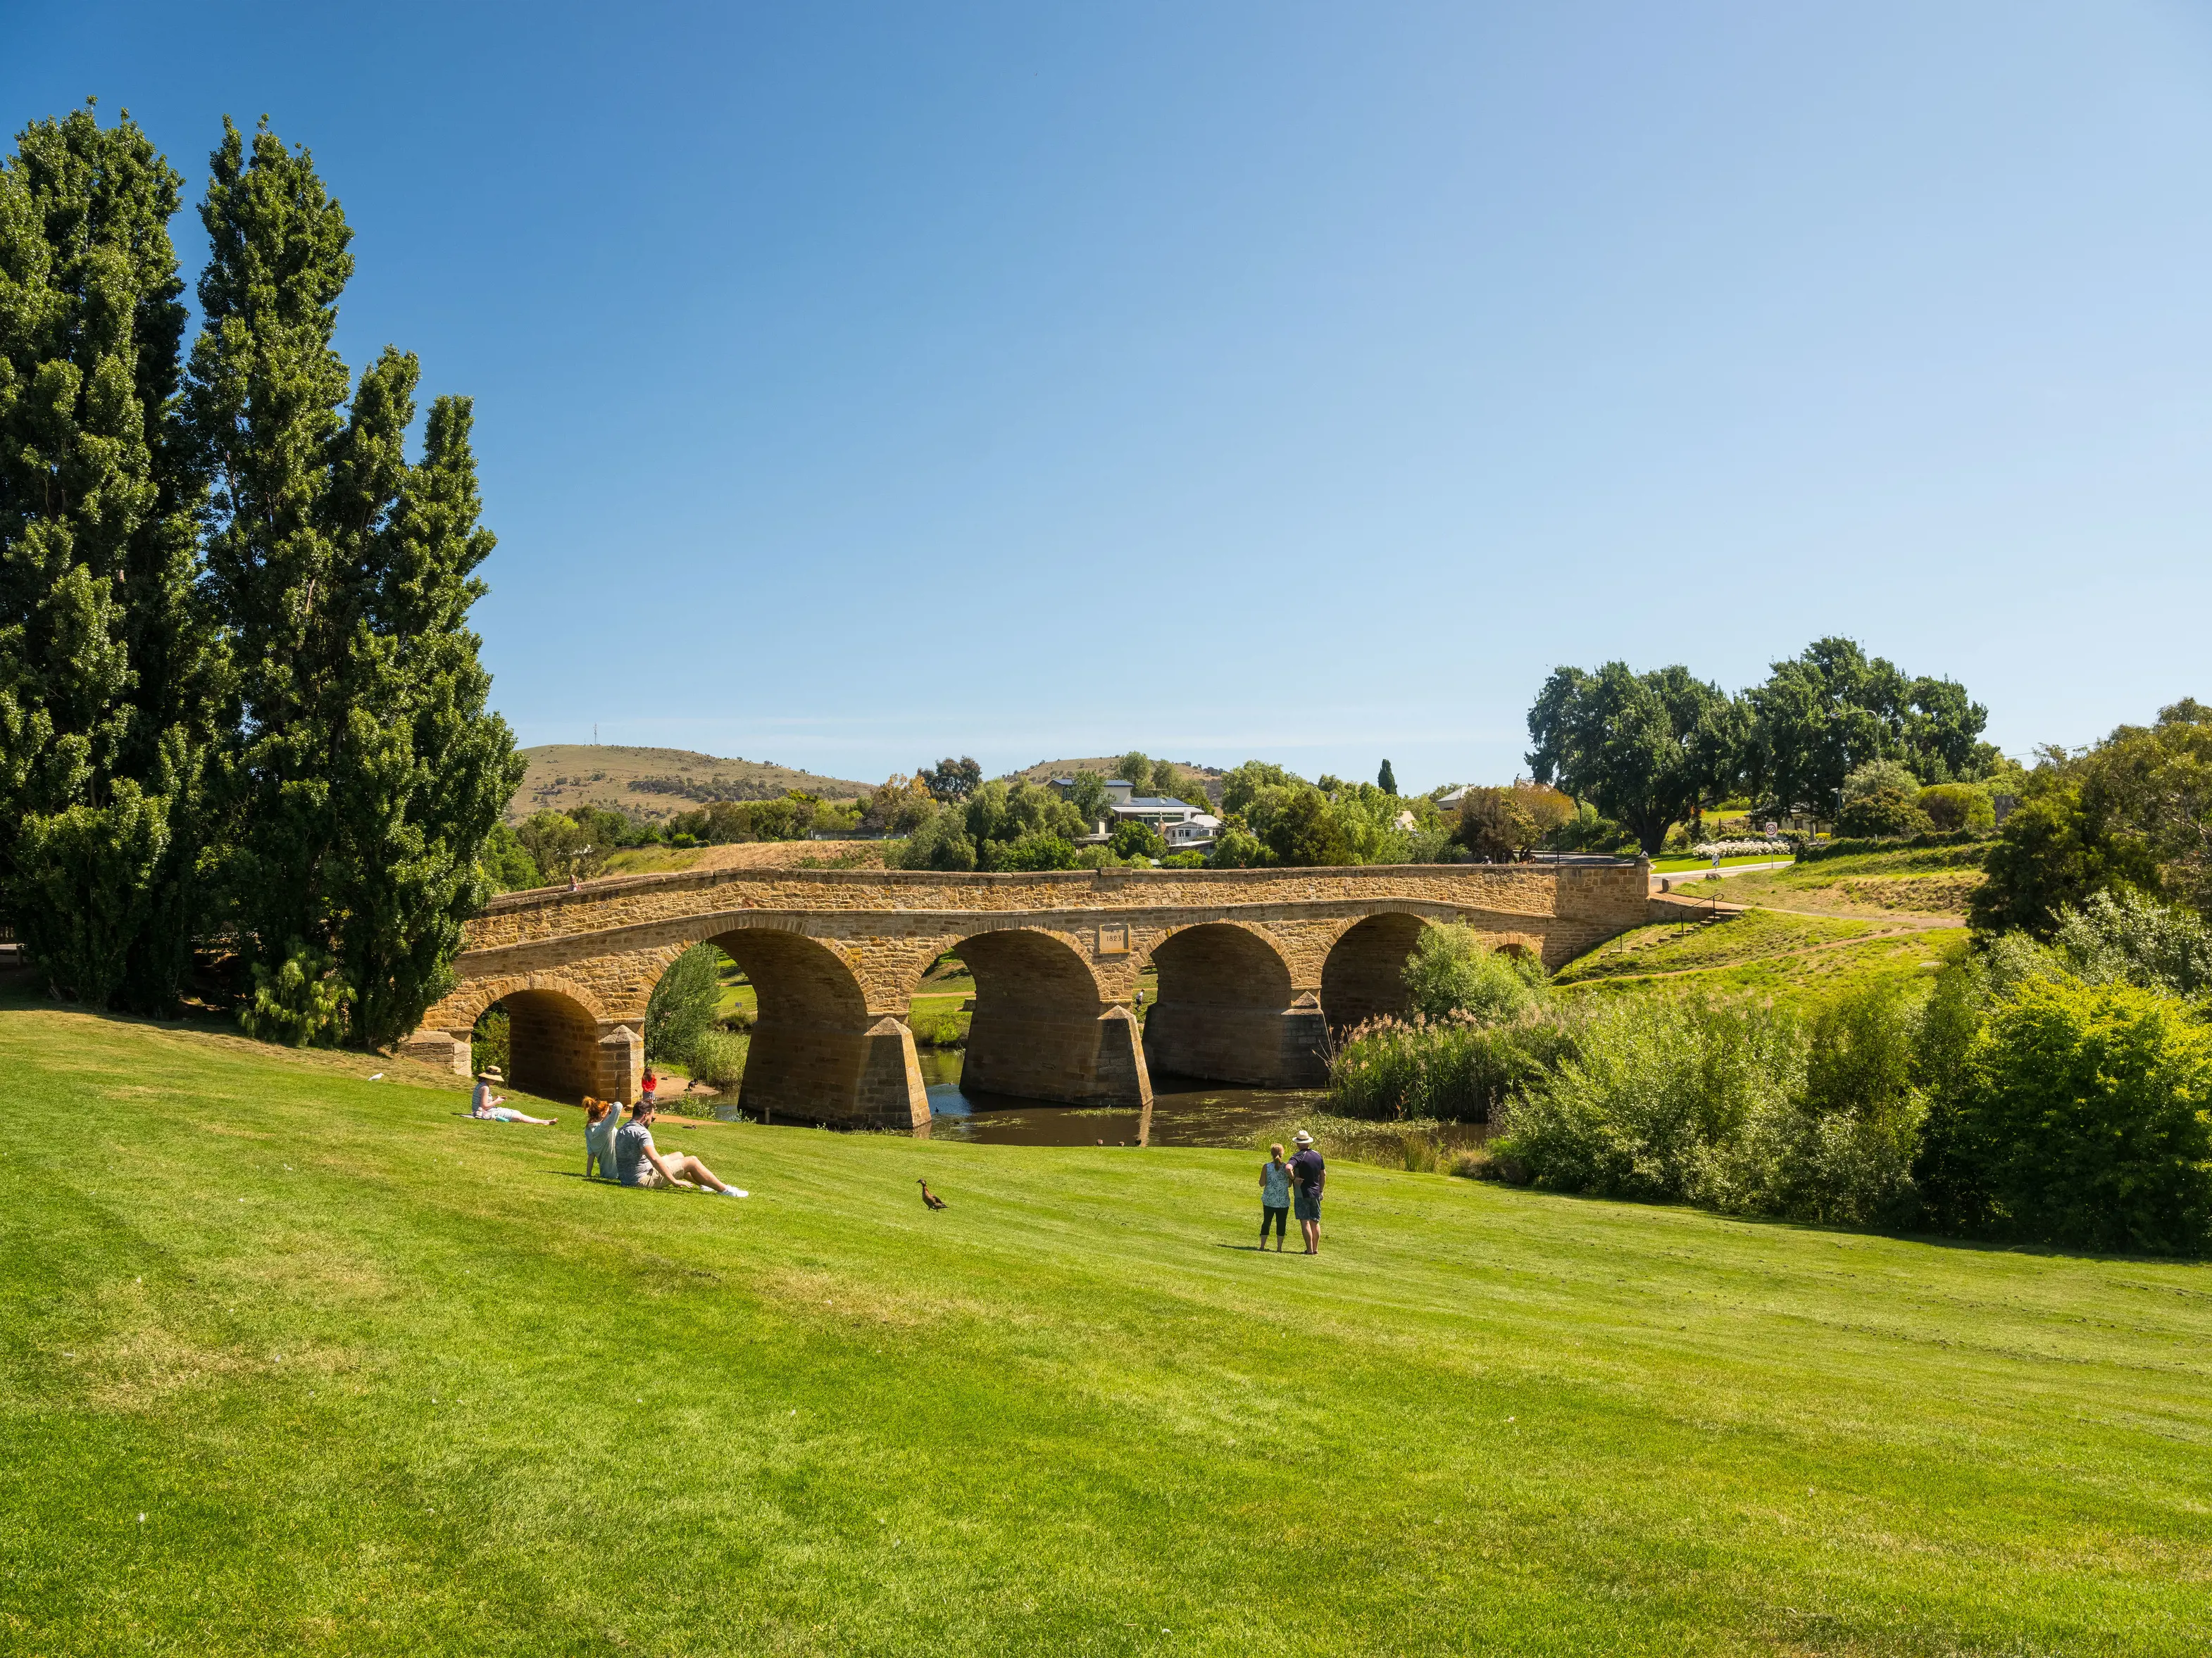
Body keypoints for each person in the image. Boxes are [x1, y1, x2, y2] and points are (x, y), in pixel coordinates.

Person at [613, 1099, 746, 1196]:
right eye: (652, 1117)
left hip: (629, 1177)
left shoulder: (624, 1128)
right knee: (692, 1161)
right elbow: (654, 1159)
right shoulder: (642, 1132)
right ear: (646, 1115)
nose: (652, 1120)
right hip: (641, 1180)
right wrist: (674, 1181)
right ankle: (725, 1190)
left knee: (679, 1155)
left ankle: (704, 1185)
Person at [471, 1067, 555, 1126]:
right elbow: (484, 1106)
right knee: (518, 1116)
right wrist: (497, 1101)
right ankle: (543, 1122)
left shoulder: (481, 1085)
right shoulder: (485, 1087)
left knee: (517, 1112)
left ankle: (543, 1121)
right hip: (484, 1113)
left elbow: (482, 1102)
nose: (496, 1081)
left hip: (482, 1111)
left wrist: (494, 1100)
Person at [1289, 1129, 1325, 1255]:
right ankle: (1315, 1249)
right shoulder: (1318, 1155)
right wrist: (1321, 1190)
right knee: (1315, 1221)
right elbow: (1323, 1174)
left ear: (1298, 1144)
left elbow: (1288, 1168)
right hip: (1315, 1192)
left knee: (1305, 1221)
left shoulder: (1297, 1156)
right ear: (1309, 1142)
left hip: (1302, 1193)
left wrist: (1293, 1178)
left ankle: (1309, 1250)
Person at [1258, 1142, 1292, 1252]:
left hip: (1269, 1200)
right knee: (1281, 1223)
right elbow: (1289, 1184)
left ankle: (1262, 1246)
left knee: (1267, 1222)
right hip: (1283, 1201)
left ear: (1271, 1154)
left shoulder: (1266, 1167)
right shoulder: (1287, 1167)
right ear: (1282, 1153)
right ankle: (1279, 1248)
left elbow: (1262, 1183)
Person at [582, 1097, 623, 1179]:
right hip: (619, 1173)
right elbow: (619, 1106)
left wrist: (588, 1174)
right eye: (609, 1112)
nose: (611, 1114)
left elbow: (591, 1154)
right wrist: (609, 1105)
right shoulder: (605, 1127)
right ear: (602, 1114)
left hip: (605, 1173)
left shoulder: (588, 1130)